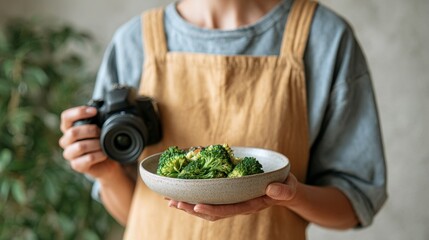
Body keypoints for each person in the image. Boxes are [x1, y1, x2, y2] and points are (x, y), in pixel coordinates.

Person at [59, 0, 387, 239]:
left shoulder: (325, 38)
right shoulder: (134, 41)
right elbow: (138, 215)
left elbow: (352, 205)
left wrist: (292, 194)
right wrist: (106, 173)